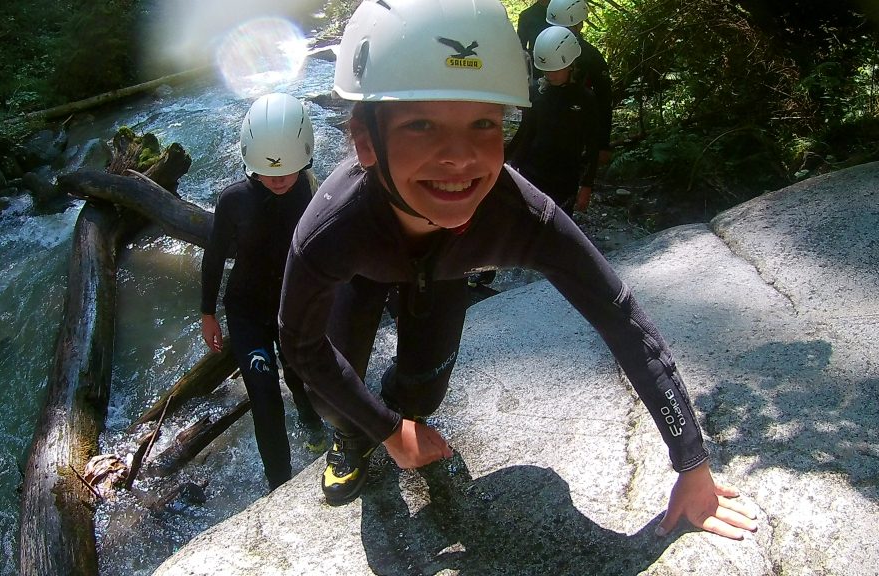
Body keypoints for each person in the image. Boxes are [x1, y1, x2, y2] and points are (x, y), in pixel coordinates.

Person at [277, 0, 758, 540]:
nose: (460, 158)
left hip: (443, 274)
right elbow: (300, 344)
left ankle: (394, 407)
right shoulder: (332, 230)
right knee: (333, 404)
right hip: (361, 271)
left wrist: (692, 463)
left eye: (484, 122)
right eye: (421, 124)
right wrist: (384, 431)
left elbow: (618, 315)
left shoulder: (519, 215)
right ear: (365, 141)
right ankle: (356, 435)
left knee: (422, 397)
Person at [200, 92, 323, 491]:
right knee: (264, 397)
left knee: (300, 377)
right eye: (271, 171)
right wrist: (207, 313)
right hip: (247, 311)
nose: (279, 178)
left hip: (291, 304)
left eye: (287, 168)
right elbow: (214, 257)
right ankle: (279, 487)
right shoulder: (233, 200)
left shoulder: (309, 191)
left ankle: (312, 422)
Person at [506, 25, 600, 216]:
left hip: (565, 179)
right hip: (532, 174)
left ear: (571, 64)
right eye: (546, 70)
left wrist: (587, 185)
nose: (550, 75)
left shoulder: (585, 99)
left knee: (557, 224)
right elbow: (526, 132)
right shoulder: (536, 93)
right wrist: (509, 162)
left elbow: (592, 145)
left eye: (555, 70)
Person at [546, 0, 613, 166]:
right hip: (548, 130)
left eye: (566, 28)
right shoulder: (544, 50)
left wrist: (602, 145)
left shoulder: (591, 57)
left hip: (578, 131)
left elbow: (604, 100)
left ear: (579, 26)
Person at [516, 0, 551, 77]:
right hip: (536, 69)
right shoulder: (526, 15)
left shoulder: (562, 12)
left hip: (562, 66)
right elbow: (521, 47)